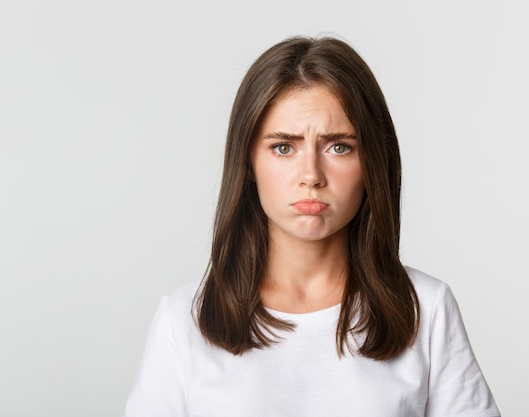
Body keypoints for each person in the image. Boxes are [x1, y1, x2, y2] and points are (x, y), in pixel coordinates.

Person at [124, 36, 500, 417]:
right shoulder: (183, 319)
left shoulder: (425, 308)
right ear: (248, 162)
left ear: (372, 162)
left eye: (339, 147)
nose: (311, 176)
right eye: (284, 147)